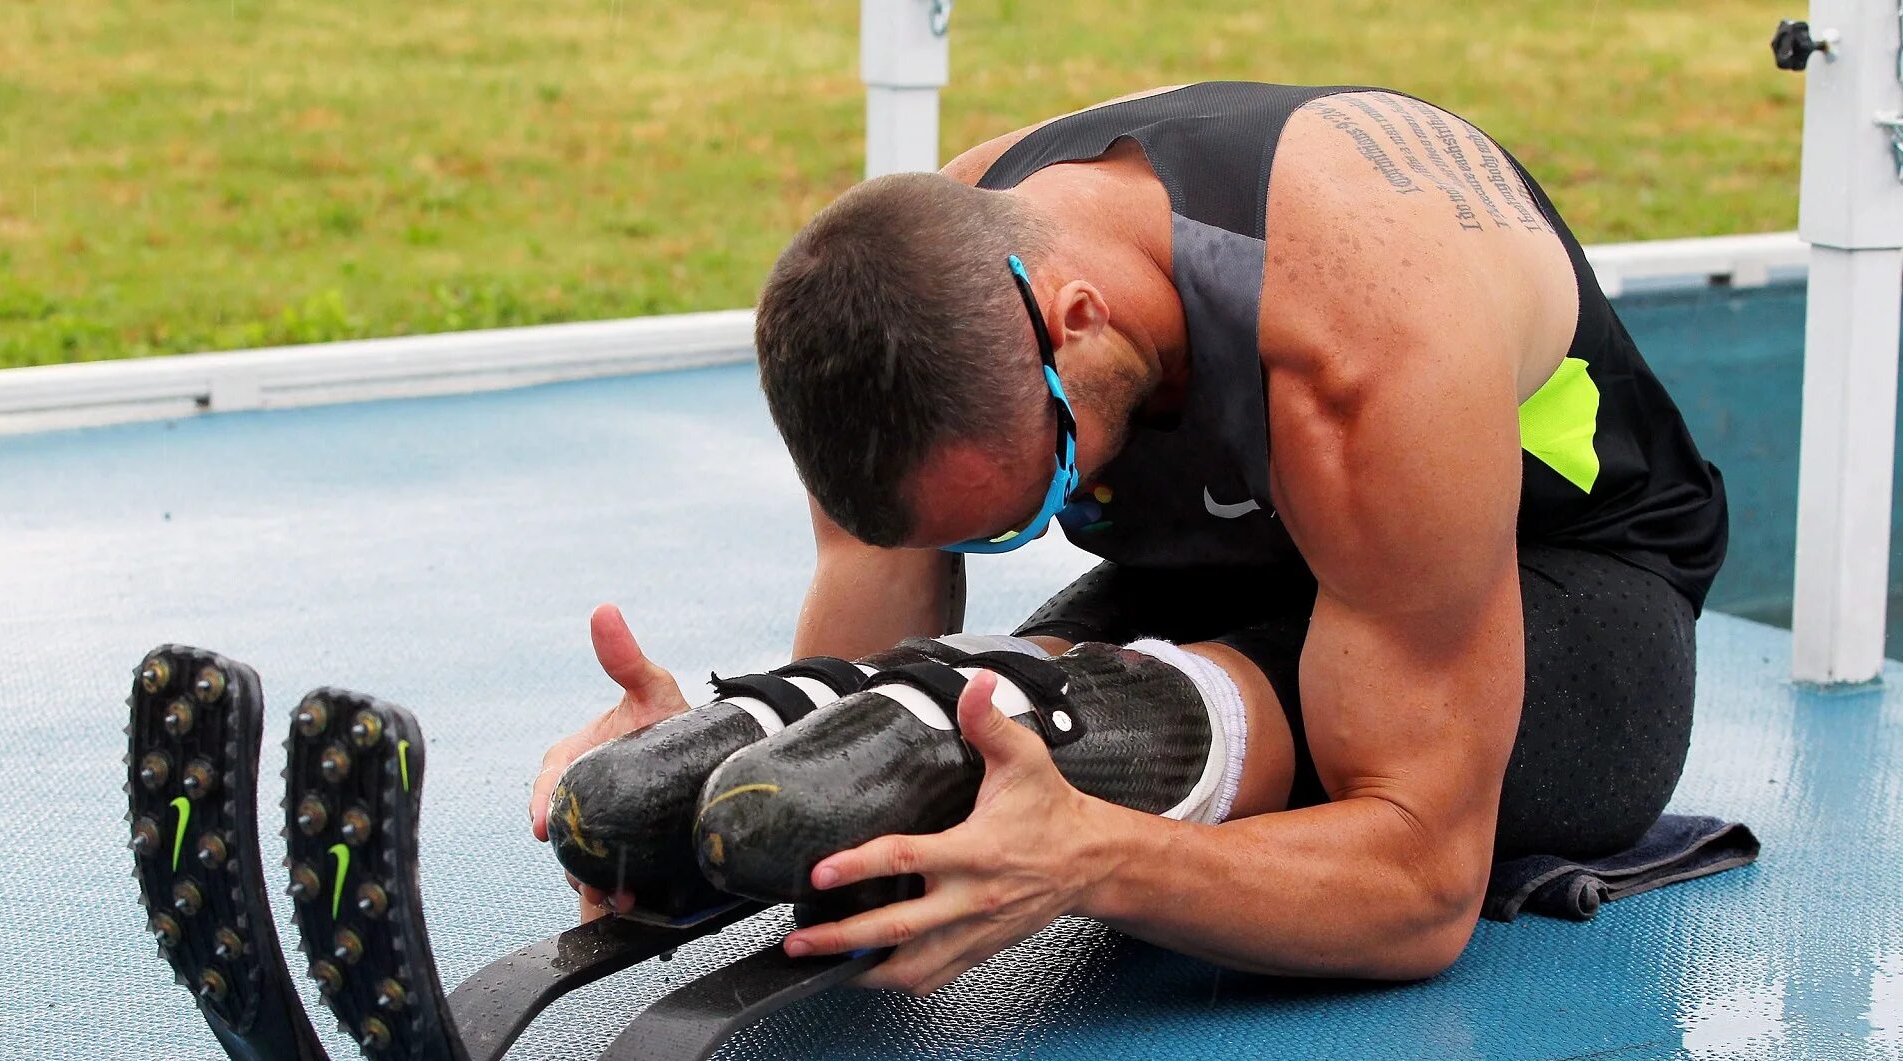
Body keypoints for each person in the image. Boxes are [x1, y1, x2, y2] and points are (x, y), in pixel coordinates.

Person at [531, 82, 1727, 995]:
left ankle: (1140, 760)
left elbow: (1421, 887)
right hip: (1262, 580)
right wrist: (731, 789)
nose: (1029, 531)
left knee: (1078, 748)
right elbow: (869, 602)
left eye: (1036, 497)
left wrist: (1092, 859)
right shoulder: (907, 299)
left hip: (1570, 605)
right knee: (960, 722)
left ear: (1078, 322)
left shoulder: (1362, 345)